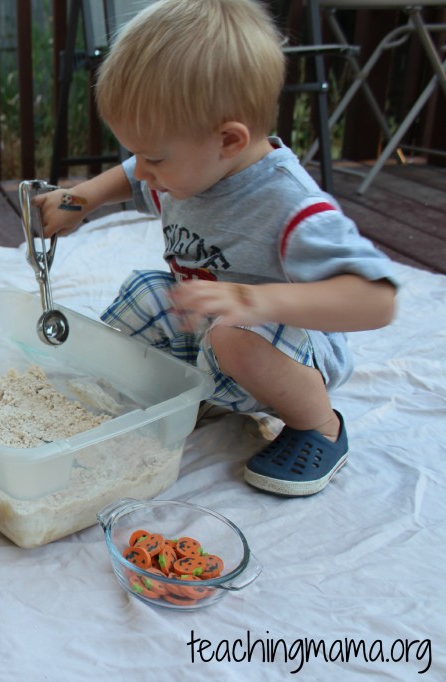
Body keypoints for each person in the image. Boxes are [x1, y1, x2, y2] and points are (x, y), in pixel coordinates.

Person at [35, 0, 397, 496]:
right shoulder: (191, 163)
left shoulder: (288, 205)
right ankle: (187, 390)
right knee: (147, 291)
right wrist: (82, 199)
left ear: (228, 140)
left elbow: (377, 300)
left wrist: (254, 300)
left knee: (234, 334)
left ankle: (319, 428)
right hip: (210, 327)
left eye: (153, 157)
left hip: (288, 349)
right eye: (137, 153)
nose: (142, 171)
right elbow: (129, 177)